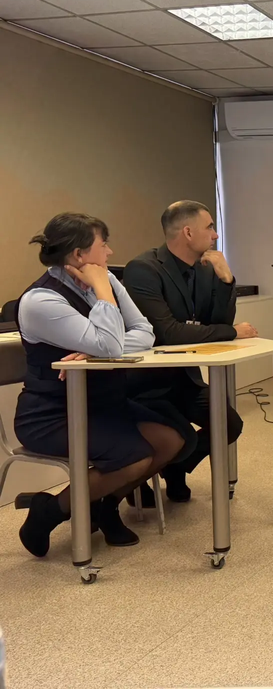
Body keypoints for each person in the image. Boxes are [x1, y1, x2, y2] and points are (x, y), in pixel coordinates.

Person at [12, 213, 192, 556]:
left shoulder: (105, 278)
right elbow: (110, 345)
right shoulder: (41, 301)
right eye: (103, 245)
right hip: (52, 414)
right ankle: (49, 511)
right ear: (79, 254)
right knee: (134, 459)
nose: (109, 253)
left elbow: (146, 333)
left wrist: (97, 348)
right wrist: (103, 303)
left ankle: (104, 504)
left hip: (104, 403)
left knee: (171, 441)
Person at [123, 201, 254, 503]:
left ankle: (174, 468)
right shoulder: (143, 269)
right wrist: (234, 332)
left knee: (229, 424)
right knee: (184, 437)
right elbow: (167, 333)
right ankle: (135, 480)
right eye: (209, 227)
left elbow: (218, 322)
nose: (215, 235)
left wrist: (227, 280)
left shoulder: (205, 269)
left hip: (184, 378)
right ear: (188, 232)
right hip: (146, 384)